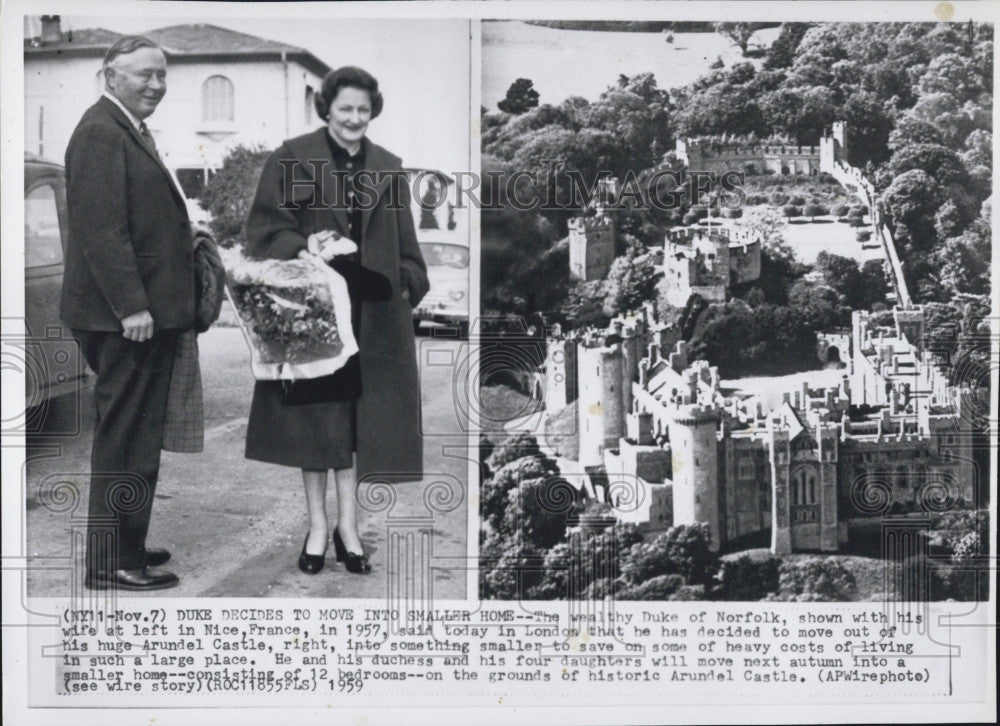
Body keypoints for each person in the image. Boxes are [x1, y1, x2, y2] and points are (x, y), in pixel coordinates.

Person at [243, 66, 429, 576]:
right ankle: (318, 526)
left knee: (354, 425)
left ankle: (349, 527)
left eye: (363, 110)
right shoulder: (293, 157)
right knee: (315, 423)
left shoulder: (388, 168)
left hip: (372, 313)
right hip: (314, 313)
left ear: (373, 111)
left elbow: (407, 243)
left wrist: (406, 280)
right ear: (327, 109)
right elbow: (263, 229)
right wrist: (307, 245)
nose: (354, 118)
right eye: (344, 108)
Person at [61, 36, 195, 591]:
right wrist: (133, 306)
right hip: (124, 318)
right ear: (110, 74)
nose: (156, 85)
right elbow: (101, 232)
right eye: (144, 75)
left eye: (162, 76)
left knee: (136, 434)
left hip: (136, 313)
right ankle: (110, 562)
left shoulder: (124, 130)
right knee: (125, 438)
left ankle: (126, 545)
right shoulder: (100, 132)